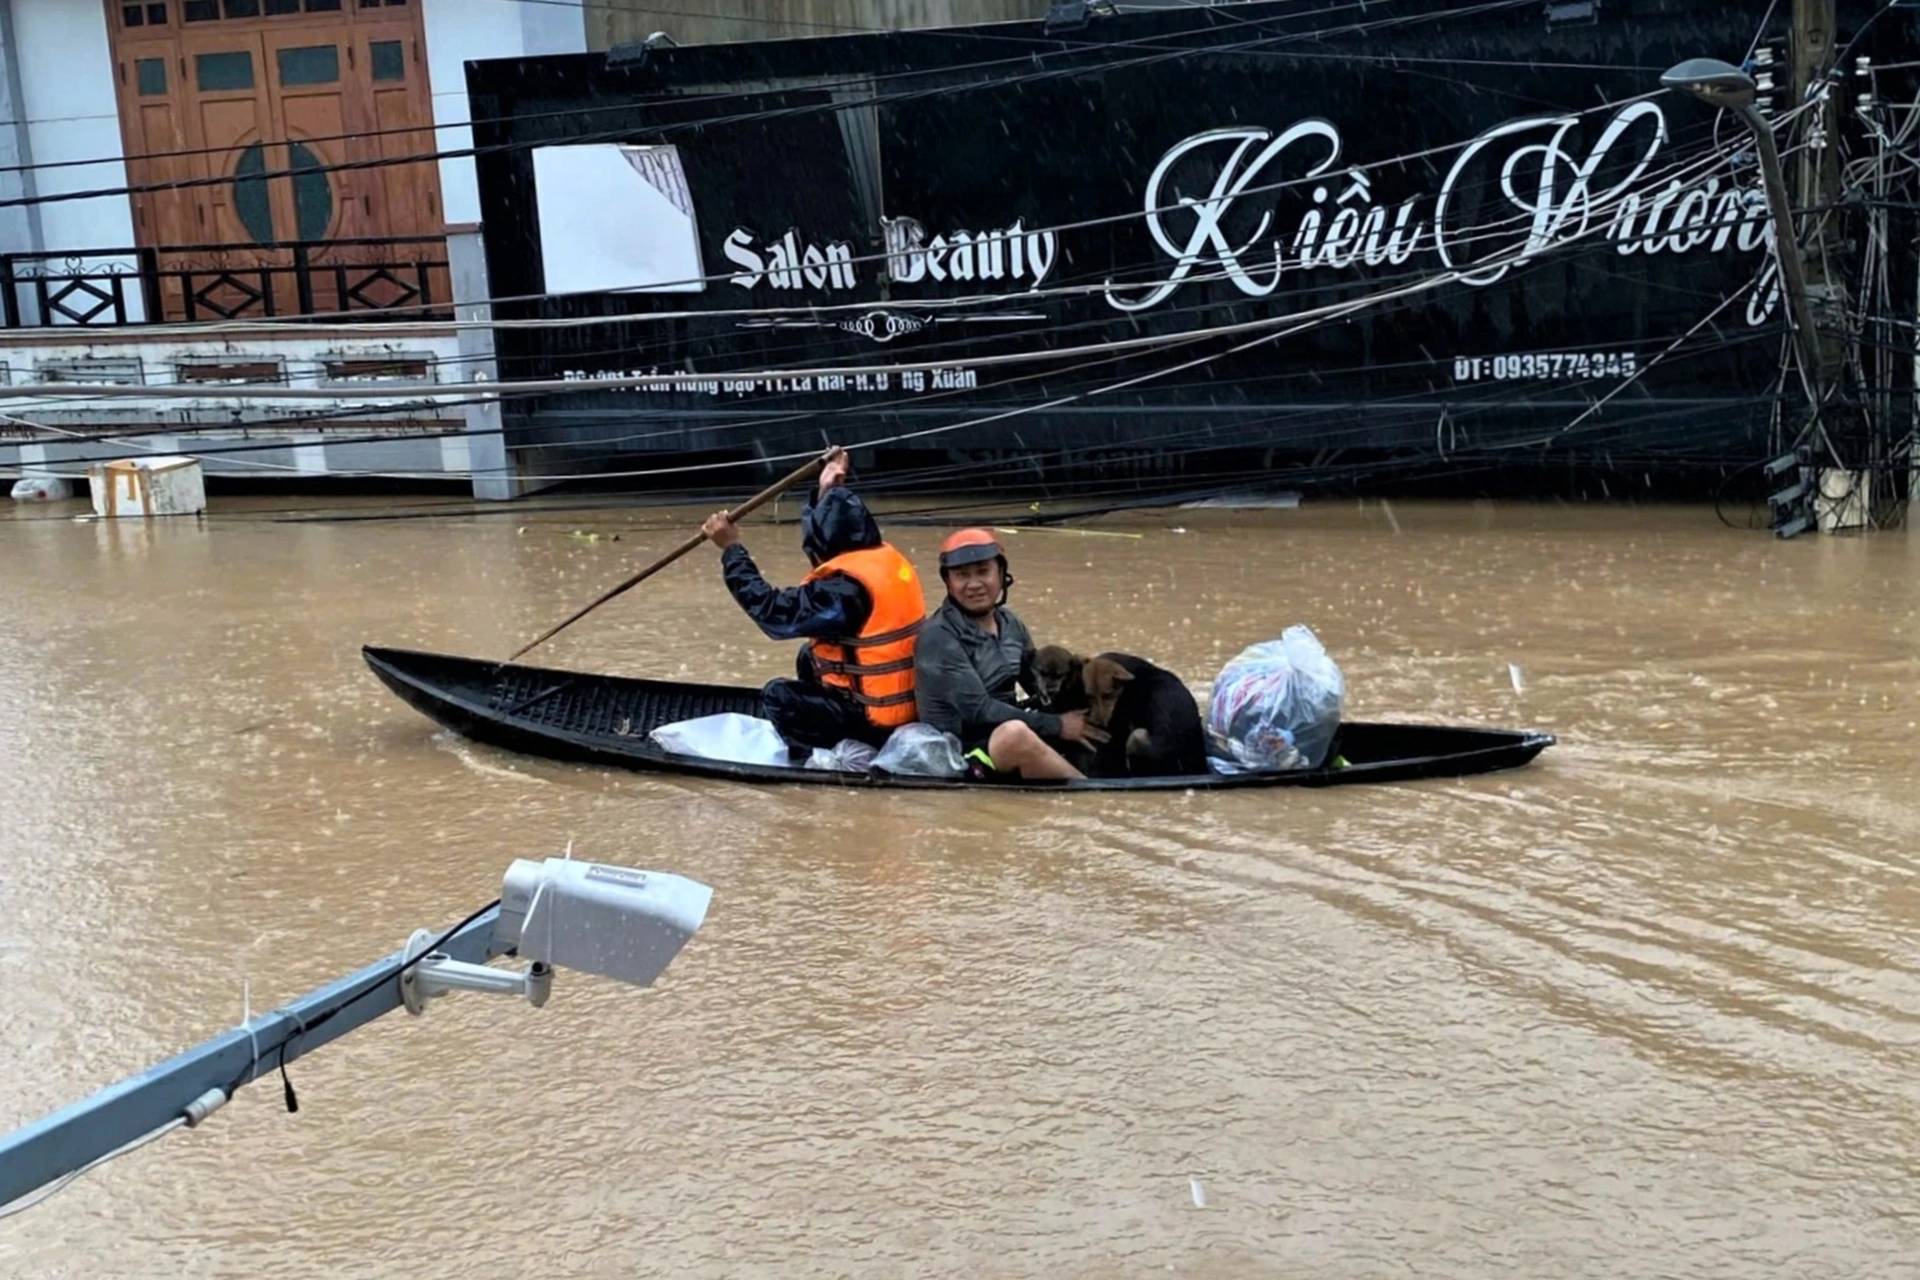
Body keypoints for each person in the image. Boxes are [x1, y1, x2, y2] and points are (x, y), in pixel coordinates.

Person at [701, 450, 925, 753]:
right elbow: (825, 533)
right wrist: (825, 491)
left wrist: (731, 550)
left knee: (777, 695)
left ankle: (816, 756)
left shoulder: (843, 591)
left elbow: (772, 613)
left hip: (873, 724)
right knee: (810, 656)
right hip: (897, 704)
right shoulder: (881, 559)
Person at [911, 528, 1107, 780]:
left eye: (983, 572)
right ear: (948, 582)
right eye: (962, 575)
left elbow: (1038, 689)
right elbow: (979, 711)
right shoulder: (938, 637)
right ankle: (1094, 795)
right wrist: (1058, 725)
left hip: (1006, 731)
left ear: (1001, 574)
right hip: (960, 752)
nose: (974, 585)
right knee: (1016, 734)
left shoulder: (1011, 623)